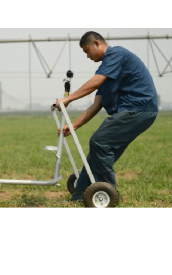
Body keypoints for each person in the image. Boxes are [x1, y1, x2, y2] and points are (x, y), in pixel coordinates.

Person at [56, 31, 158, 202]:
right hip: (134, 111)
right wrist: (73, 126)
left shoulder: (116, 54)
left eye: (87, 51)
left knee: (99, 141)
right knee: (98, 152)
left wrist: (68, 98)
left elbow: (94, 82)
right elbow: (96, 105)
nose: (87, 56)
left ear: (96, 43)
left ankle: (109, 197)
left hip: (139, 109)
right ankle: (80, 195)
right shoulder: (108, 71)